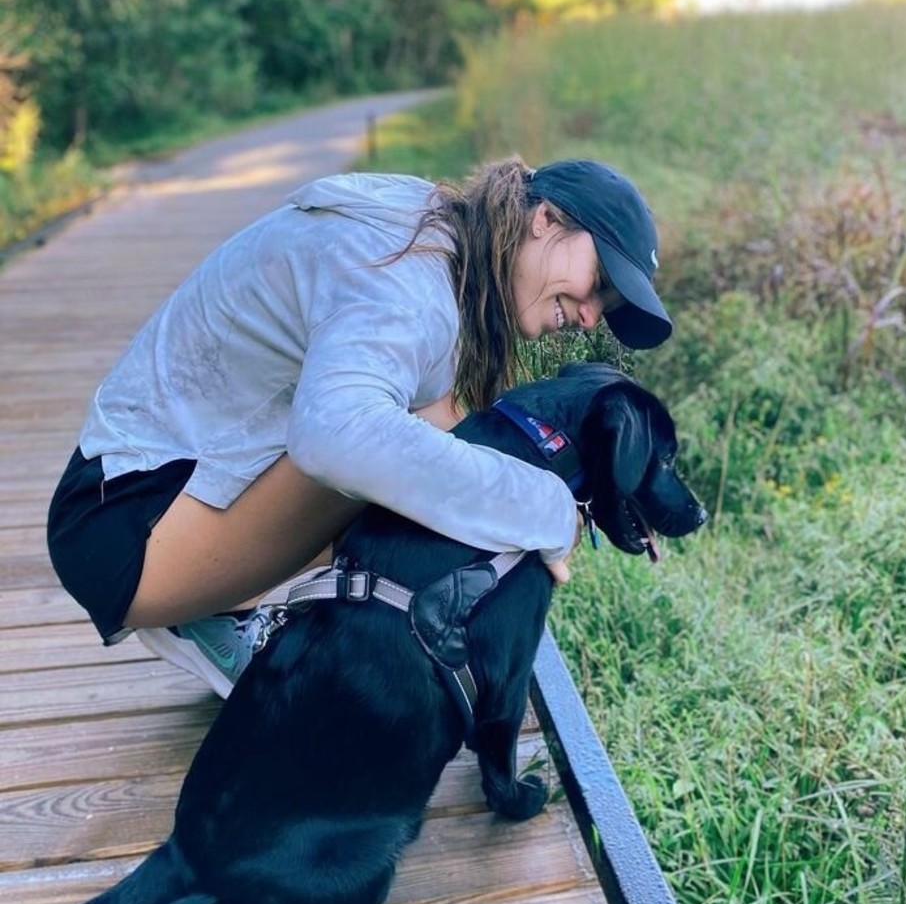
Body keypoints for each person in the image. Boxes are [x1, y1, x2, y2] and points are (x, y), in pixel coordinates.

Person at [47, 156, 672, 698]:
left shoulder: (435, 228)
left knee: (438, 427)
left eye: (606, 308)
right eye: (599, 283)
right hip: (127, 527)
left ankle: (221, 612)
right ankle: (212, 613)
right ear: (546, 220)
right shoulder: (408, 277)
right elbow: (336, 435)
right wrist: (543, 506)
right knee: (396, 441)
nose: (590, 317)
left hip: (142, 495)